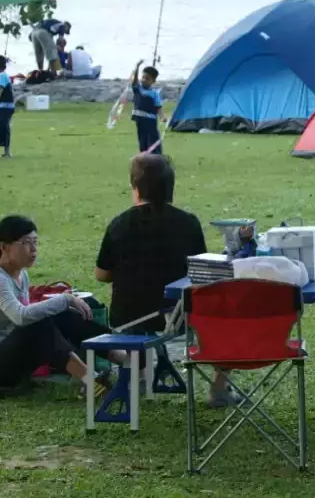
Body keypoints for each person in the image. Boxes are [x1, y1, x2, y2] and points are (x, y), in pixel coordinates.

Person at [94, 154, 238, 407]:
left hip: (129, 316)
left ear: (136, 190)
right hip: (179, 315)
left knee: (132, 316)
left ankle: (138, 373)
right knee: (228, 315)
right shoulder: (188, 223)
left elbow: (101, 274)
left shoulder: (119, 224)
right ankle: (219, 386)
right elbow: (198, 272)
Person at [0, 215, 132, 393]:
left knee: (59, 315)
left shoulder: (21, 275)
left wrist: (62, 305)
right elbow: (20, 317)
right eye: (26, 243)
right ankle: (90, 379)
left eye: (35, 241)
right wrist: (65, 299)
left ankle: (122, 358)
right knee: (39, 323)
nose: (34, 249)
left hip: (9, 358)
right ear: (4, 247)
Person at [130, 62, 166, 154]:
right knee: (142, 140)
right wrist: (137, 67)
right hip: (140, 121)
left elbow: (158, 107)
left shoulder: (154, 94)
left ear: (153, 81)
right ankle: (144, 157)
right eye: (143, 77)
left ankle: (156, 158)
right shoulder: (138, 89)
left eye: (147, 78)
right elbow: (134, 81)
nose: (144, 80)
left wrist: (162, 117)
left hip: (150, 122)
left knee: (152, 140)